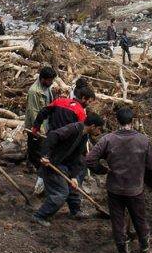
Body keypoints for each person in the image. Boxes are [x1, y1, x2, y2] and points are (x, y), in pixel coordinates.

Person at [86, 107, 152, 253]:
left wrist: (102, 170)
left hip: (115, 188)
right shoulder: (143, 140)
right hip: (135, 189)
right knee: (140, 219)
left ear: (117, 121)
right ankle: (145, 250)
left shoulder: (108, 139)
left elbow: (90, 159)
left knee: (118, 220)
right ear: (132, 121)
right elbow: (151, 165)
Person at [31, 114, 105, 226]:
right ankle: (39, 216)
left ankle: (75, 211)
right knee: (61, 193)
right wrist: (45, 156)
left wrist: (74, 176)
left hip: (65, 165)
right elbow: (52, 136)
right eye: (99, 128)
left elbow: (76, 157)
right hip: (52, 164)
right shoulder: (72, 129)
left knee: (74, 186)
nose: (99, 132)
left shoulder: (84, 136)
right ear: (93, 126)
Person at [25, 67, 56, 195]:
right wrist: (40, 130)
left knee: (42, 155)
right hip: (36, 128)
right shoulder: (34, 91)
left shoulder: (46, 88)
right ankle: (41, 183)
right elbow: (34, 112)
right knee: (37, 155)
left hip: (46, 126)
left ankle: (43, 182)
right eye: (50, 80)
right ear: (43, 79)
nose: (52, 82)